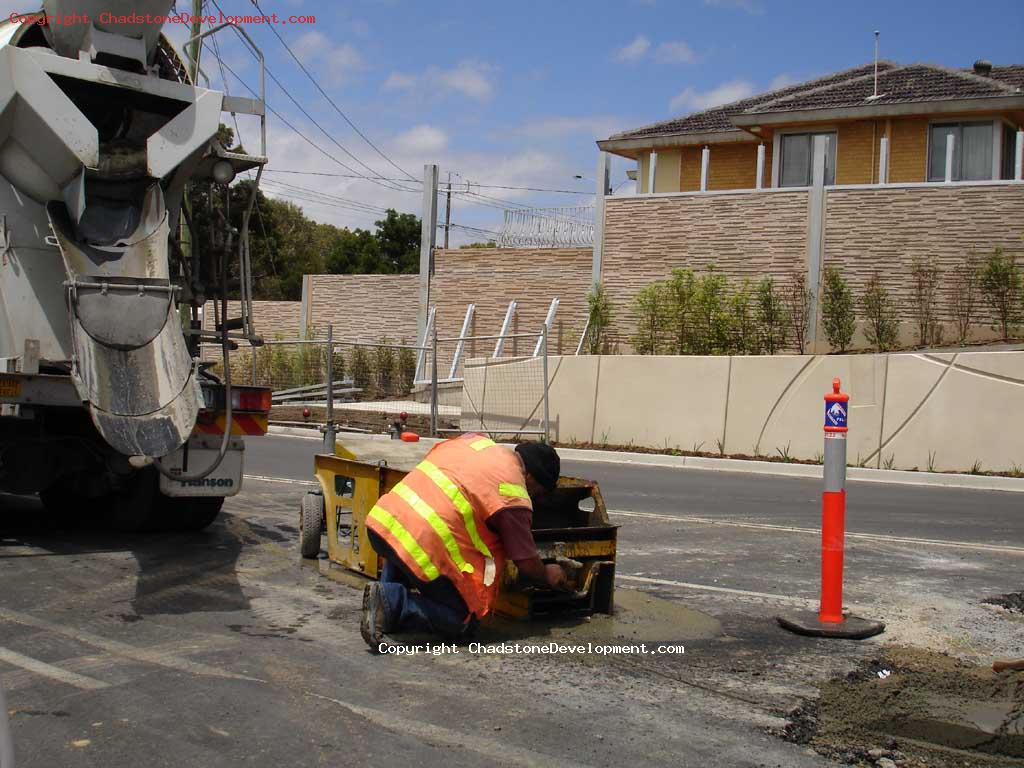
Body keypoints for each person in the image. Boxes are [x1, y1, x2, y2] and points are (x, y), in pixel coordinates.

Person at [360, 435, 567, 651]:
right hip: (419, 544)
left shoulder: (474, 443)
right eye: (540, 493)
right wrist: (547, 574)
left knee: (406, 538)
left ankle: (383, 593)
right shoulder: (513, 493)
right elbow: (526, 563)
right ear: (531, 477)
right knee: (462, 621)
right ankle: (391, 603)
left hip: (383, 524)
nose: (535, 498)